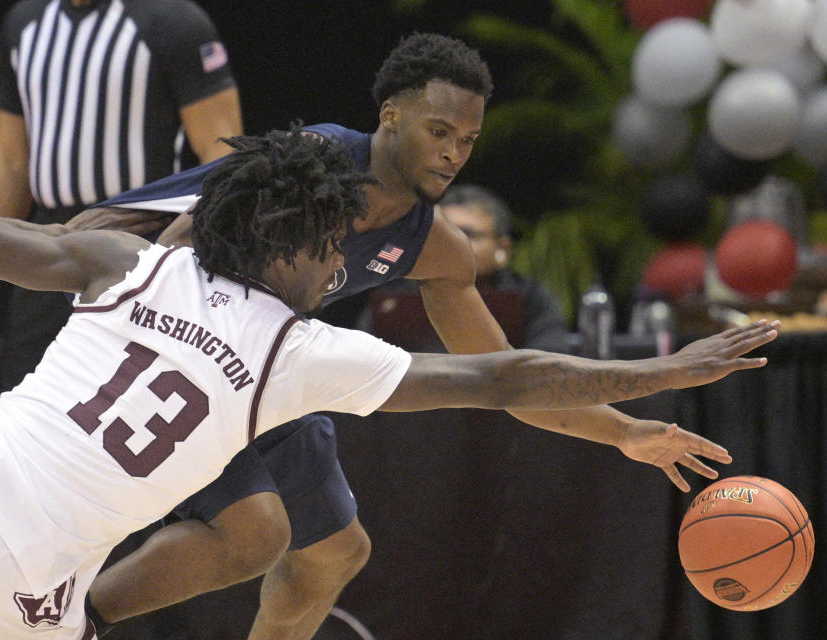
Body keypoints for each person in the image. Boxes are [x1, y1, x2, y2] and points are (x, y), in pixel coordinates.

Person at [0, 127, 776, 639]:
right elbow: (505, 373)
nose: (340, 266)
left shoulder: (131, 263)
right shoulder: (299, 353)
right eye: (331, 246)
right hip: (16, 576)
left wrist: (61, 245)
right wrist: (661, 371)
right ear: (284, 247)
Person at [75, 33, 751, 640]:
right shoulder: (312, 163)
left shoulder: (437, 249)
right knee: (255, 533)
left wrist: (626, 433)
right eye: (439, 131)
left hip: (262, 368)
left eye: (467, 140)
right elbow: (170, 237)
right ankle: (71, 627)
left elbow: (507, 378)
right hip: (162, 335)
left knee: (334, 552)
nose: (454, 152)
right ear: (390, 118)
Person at [0, 0, 244, 389]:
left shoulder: (173, 21)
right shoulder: (24, 24)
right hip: (50, 237)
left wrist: (193, 249)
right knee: (28, 395)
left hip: (141, 236)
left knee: (129, 396)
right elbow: (10, 159)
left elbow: (221, 151)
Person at [363, 183, 568, 352]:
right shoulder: (397, 293)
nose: (454, 244)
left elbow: (549, 359)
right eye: (445, 233)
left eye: (468, 234)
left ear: (502, 247)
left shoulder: (530, 296)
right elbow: (363, 360)